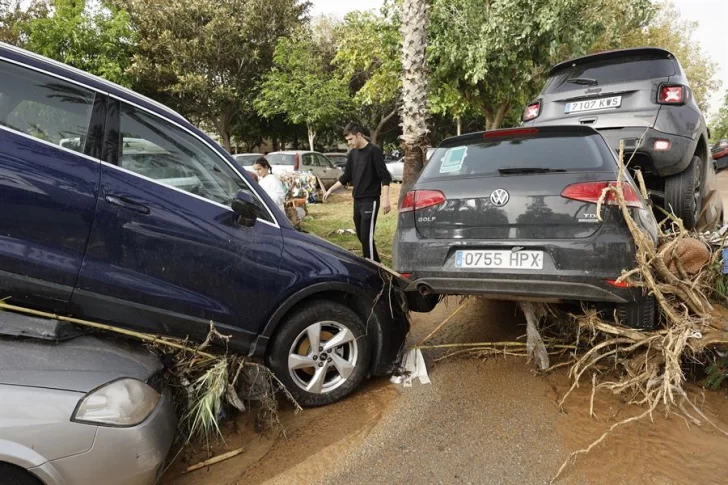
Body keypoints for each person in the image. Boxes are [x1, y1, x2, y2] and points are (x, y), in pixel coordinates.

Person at [323, 123, 391, 263]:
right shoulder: (353, 154)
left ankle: (373, 271)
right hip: (357, 201)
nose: (349, 143)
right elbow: (346, 176)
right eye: (347, 140)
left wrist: (386, 200)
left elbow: (385, 177)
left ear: (359, 135)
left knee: (366, 238)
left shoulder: (374, 151)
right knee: (362, 236)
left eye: (350, 139)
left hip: (370, 201)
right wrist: (330, 190)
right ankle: (377, 265)